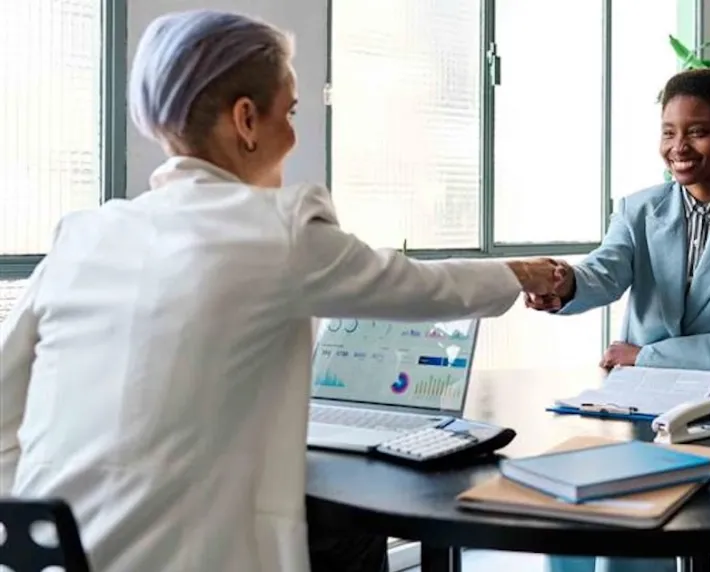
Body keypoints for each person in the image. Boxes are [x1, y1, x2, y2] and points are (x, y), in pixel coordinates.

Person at [0, 10, 562, 572]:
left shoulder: (82, 236)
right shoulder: (276, 230)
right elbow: (420, 287)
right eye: (289, 112)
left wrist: (33, 531)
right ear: (246, 119)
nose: (293, 135)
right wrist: (526, 273)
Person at [533, 69, 710, 572]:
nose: (678, 147)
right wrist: (565, 285)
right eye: (668, 131)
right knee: (587, 517)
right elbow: (606, 270)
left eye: (697, 131)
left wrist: (647, 355)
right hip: (639, 412)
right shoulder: (637, 209)